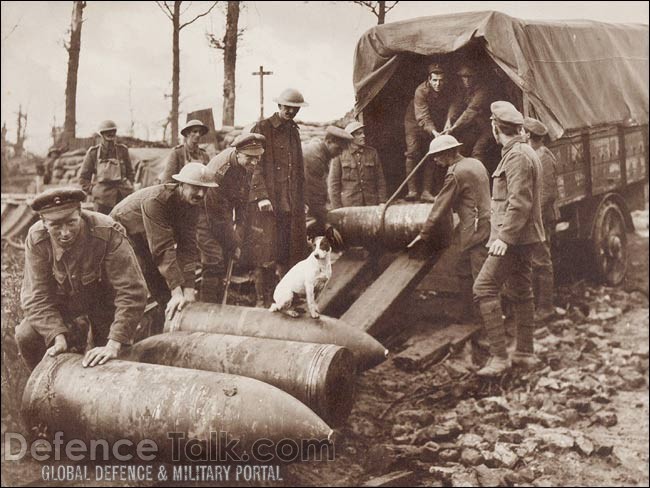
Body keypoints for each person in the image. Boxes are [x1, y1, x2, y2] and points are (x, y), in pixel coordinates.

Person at [16, 188, 148, 370]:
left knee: (111, 364)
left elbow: (132, 290)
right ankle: (43, 389)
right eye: (55, 226)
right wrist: (56, 335)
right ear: (44, 222)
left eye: (71, 222)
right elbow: (36, 297)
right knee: (27, 334)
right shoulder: (37, 239)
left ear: (80, 212)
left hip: (105, 303)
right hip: (66, 305)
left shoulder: (107, 231)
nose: (65, 233)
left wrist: (115, 342)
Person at [472, 101, 545, 376]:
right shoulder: (523, 151)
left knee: (484, 288)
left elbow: (519, 202)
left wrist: (504, 237)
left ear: (495, 128)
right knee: (521, 290)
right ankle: (525, 353)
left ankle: (499, 359)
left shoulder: (516, 157)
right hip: (523, 238)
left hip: (513, 239)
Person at [110, 163, 218, 321]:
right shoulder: (156, 201)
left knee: (167, 295)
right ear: (181, 185)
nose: (201, 193)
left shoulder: (192, 206)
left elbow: (188, 247)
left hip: (145, 239)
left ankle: (162, 329)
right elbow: (163, 248)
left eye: (205, 189)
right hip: (122, 235)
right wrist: (176, 290)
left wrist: (188, 288)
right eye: (195, 187)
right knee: (137, 288)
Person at [409, 135, 491, 323]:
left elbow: (441, 206)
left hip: (475, 230)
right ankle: (469, 314)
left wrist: (423, 235)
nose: (435, 161)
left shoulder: (455, 173)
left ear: (447, 153)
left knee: (482, 278)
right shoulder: (475, 163)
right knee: (463, 268)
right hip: (485, 224)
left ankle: (488, 323)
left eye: (437, 156)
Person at [249, 88, 310, 303]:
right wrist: (261, 195)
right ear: (279, 106)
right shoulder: (262, 128)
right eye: (287, 108)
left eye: (295, 109)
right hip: (269, 202)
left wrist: (302, 201)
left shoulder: (294, 131)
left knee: (289, 250)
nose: (291, 112)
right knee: (266, 251)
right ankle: (262, 299)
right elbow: (254, 163)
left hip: (290, 202)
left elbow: (299, 168)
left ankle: (286, 297)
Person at [196, 133, 266, 303]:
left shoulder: (247, 165)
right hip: (204, 214)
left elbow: (243, 202)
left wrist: (239, 233)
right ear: (238, 152)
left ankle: (220, 303)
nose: (254, 162)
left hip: (223, 213)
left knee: (228, 255)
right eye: (250, 158)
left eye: (257, 158)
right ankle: (207, 309)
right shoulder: (221, 170)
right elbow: (215, 216)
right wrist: (234, 243)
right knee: (214, 261)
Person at [524, 117, 559, 322]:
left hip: (540, 217)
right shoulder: (536, 154)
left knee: (541, 260)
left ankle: (546, 307)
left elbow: (547, 194)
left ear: (528, 136)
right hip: (536, 216)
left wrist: (530, 216)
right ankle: (539, 304)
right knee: (536, 260)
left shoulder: (543, 157)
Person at [403, 62, 453, 202]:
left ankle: (426, 191)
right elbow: (422, 117)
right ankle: (412, 190)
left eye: (441, 80)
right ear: (429, 80)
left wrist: (449, 119)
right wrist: (434, 132)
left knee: (433, 153)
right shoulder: (421, 91)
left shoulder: (448, 89)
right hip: (414, 121)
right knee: (413, 152)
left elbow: (454, 103)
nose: (438, 84)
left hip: (433, 122)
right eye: (435, 80)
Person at [443, 64, 497, 173]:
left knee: (478, 151)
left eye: (469, 77)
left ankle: (480, 179)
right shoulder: (463, 89)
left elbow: (471, 110)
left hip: (488, 128)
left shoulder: (483, 90)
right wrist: (449, 120)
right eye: (463, 77)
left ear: (475, 77)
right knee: (461, 149)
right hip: (474, 128)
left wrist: (454, 127)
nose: (466, 80)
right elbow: (456, 104)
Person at [303, 125, 353, 237]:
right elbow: (314, 194)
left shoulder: (321, 153)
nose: (340, 153)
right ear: (328, 141)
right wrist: (326, 223)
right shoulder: (315, 157)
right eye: (338, 149)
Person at [79, 120, 135, 214]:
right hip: (102, 199)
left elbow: (130, 172)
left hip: (123, 195)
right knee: (102, 225)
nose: (111, 135)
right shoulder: (93, 153)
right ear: (102, 134)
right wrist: (93, 190)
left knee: (126, 224)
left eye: (113, 132)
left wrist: (129, 184)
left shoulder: (122, 150)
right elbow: (84, 178)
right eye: (107, 133)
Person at [328, 121, 387, 209]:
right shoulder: (340, 154)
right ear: (350, 137)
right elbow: (334, 184)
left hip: (371, 204)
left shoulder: (372, 153)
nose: (363, 136)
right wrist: (337, 208)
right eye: (358, 134)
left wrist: (382, 201)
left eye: (363, 133)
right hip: (349, 205)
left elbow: (380, 179)